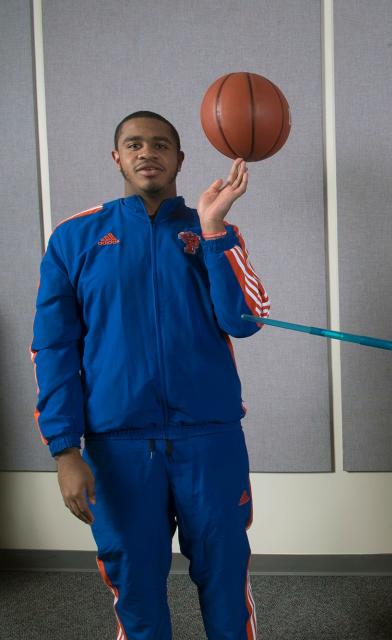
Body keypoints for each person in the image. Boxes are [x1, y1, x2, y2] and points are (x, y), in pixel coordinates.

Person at [32, 111, 269, 640]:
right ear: (117, 157)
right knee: (136, 589)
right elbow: (52, 349)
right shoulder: (75, 238)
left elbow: (244, 319)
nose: (147, 153)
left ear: (179, 159)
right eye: (133, 144)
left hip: (209, 440)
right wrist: (65, 450)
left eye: (160, 145)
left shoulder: (214, 230)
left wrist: (213, 232)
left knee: (225, 582)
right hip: (118, 446)